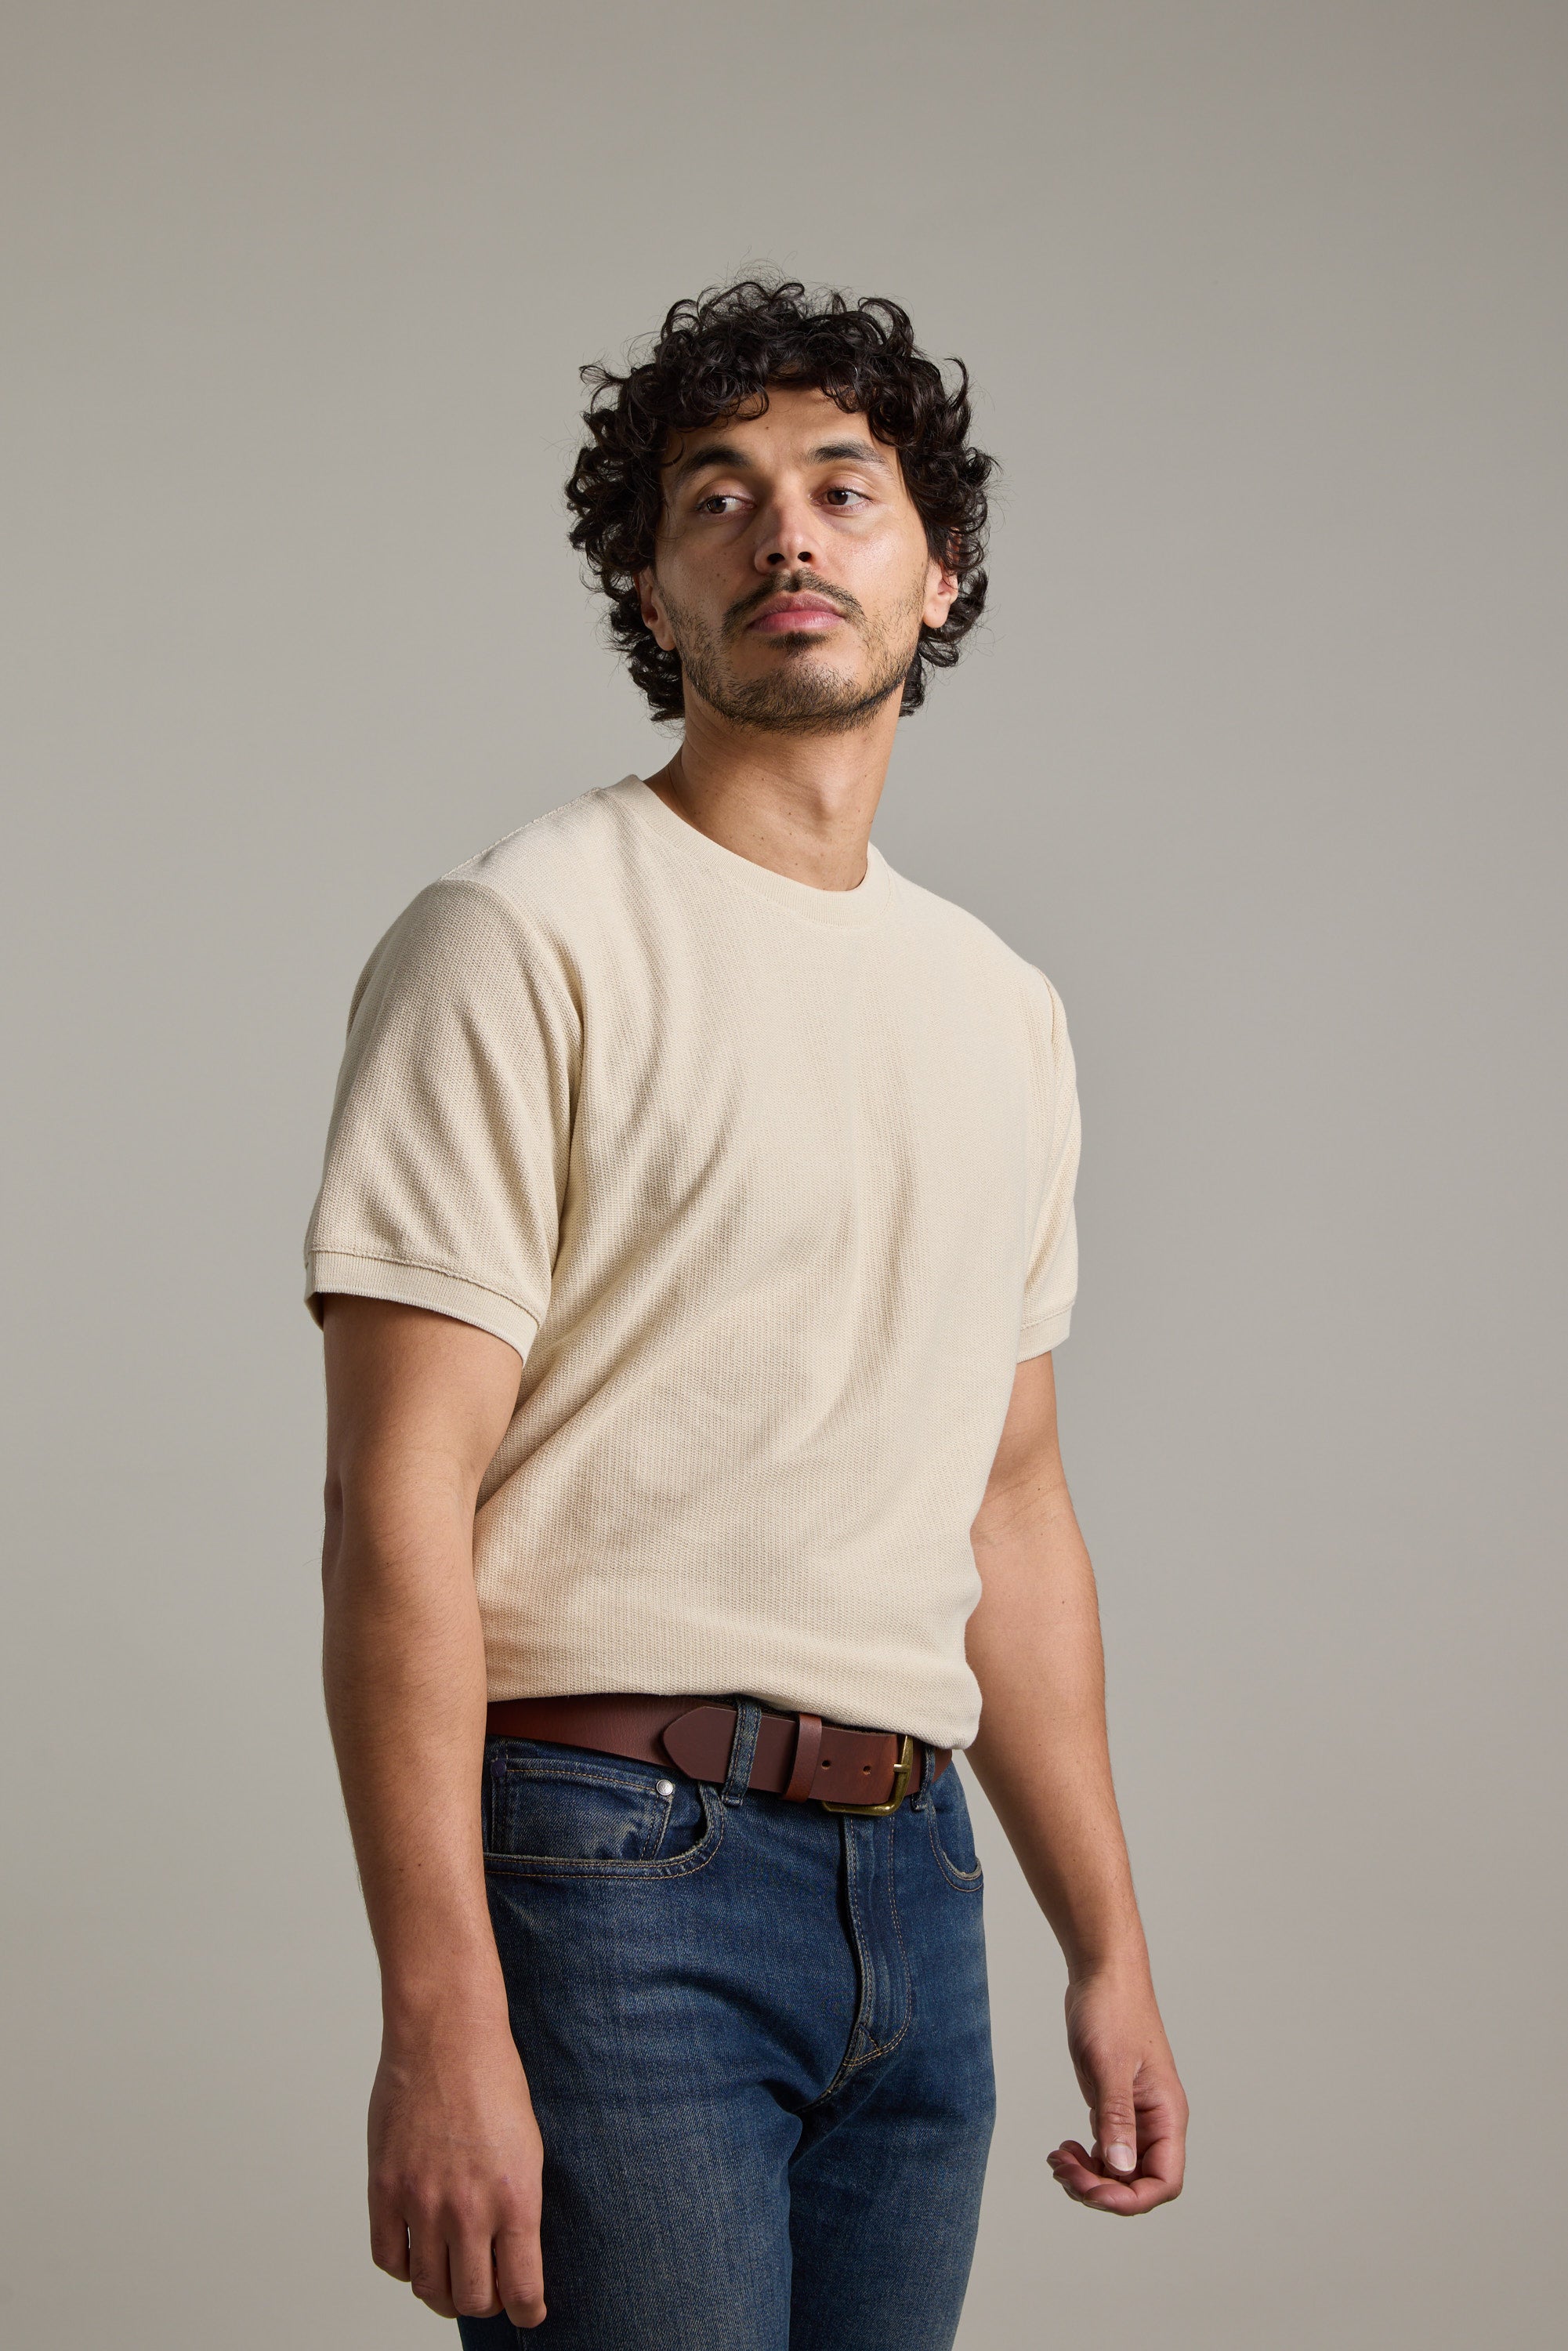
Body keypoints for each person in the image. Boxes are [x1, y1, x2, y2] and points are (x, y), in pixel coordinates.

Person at [302, 277, 1187, 2350]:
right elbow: (392, 1504)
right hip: (610, 1868)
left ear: (935, 573)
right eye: (717, 498)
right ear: (653, 589)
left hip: (919, 1882)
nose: (785, 532)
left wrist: (1107, 1946)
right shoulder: (522, 935)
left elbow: (1011, 1504)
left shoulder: (1004, 1012)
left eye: (842, 489)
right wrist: (438, 2016)